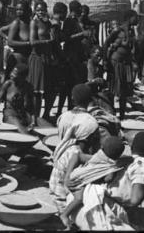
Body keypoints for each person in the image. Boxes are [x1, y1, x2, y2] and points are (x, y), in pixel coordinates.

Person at [49, 84, 100, 212]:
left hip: (59, 159)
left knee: (58, 194)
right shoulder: (90, 122)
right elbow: (85, 149)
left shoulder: (63, 117)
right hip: (75, 163)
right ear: (90, 100)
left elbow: (62, 139)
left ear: (72, 99)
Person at [60, 136, 125, 229]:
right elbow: (108, 179)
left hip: (76, 174)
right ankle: (64, 215)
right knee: (79, 198)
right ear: (118, 155)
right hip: (77, 180)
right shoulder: (110, 165)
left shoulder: (99, 156)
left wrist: (68, 174)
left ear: (102, 148)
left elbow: (77, 155)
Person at [57, 0, 90, 116]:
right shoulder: (69, 21)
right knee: (66, 87)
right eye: (80, 9)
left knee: (72, 86)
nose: (82, 11)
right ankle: (60, 111)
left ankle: (70, 110)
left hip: (76, 57)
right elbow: (66, 38)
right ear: (76, 9)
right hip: (69, 57)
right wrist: (82, 34)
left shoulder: (75, 21)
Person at [103, 11, 137, 119]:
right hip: (115, 63)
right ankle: (111, 113)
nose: (137, 20)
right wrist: (105, 60)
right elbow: (106, 43)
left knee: (124, 91)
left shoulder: (131, 31)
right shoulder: (118, 30)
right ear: (129, 18)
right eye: (135, 17)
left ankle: (122, 115)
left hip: (126, 64)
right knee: (113, 89)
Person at [0, 63, 35, 134]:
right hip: (10, 115)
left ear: (23, 77)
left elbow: (31, 108)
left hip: (23, 115)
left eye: (15, 73)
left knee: (43, 126)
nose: (11, 75)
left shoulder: (28, 87)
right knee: (23, 132)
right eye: (12, 72)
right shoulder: (8, 84)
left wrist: (33, 121)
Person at [28, 1, 54, 120]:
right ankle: (35, 118)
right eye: (38, 10)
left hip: (48, 58)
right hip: (37, 58)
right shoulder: (34, 23)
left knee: (49, 90)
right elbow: (32, 42)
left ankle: (46, 116)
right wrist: (47, 42)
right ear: (34, 11)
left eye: (42, 10)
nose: (40, 12)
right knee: (37, 91)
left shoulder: (48, 23)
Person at [42, 2, 68, 120]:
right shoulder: (56, 25)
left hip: (48, 58)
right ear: (62, 13)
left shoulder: (50, 22)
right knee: (53, 89)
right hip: (53, 60)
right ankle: (46, 114)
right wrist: (62, 56)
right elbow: (55, 42)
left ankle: (46, 113)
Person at [0, 0, 32, 80]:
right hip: (16, 59)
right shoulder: (16, 23)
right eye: (17, 10)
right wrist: (28, 43)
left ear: (27, 10)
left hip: (27, 59)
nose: (18, 12)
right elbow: (10, 42)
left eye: (21, 10)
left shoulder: (30, 23)